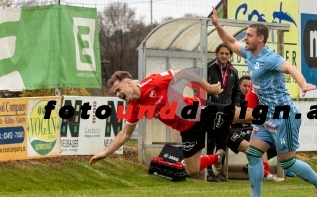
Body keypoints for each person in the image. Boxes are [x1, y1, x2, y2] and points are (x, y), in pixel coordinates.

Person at [211, 7, 317, 197]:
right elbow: (231, 42)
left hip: (283, 114)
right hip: (266, 116)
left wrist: (302, 84)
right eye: (246, 35)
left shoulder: (269, 58)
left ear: (261, 39)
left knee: (287, 163)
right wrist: (216, 25)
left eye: (249, 35)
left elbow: (290, 68)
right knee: (253, 154)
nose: (245, 38)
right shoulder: (250, 54)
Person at [89, 70, 252, 178]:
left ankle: (272, 116)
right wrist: (105, 152)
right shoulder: (134, 107)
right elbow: (125, 134)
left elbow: (184, 74)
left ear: (129, 83)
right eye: (115, 93)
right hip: (188, 131)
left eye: (118, 90)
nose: (118, 95)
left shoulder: (153, 82)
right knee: (192, 170)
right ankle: (217, 157)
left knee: (245, 116)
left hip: (201, 113)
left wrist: (208, 88)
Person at [229, 76, 284, 182]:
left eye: (249, 87)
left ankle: (252, 167)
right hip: (234, 130)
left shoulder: (258, 98)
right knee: (256, 145)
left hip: (250, 128)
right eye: (244, 86)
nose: (247, 89)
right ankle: (266, 173)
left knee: (278, 144)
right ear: (239, 86)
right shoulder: (235, 98)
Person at [206, 44, 240, 182]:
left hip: (226, 110)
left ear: (230, 55)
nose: (224, 56)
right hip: (212, 109)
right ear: (216, 54)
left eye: (227, 53)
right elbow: (201, 86)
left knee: (222, 142)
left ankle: (219, 172)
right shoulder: (208, 67)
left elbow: (237, 91)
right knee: (210, 140)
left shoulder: (234, 71)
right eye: (221, 53)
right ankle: (208, 170)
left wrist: (236, 106)